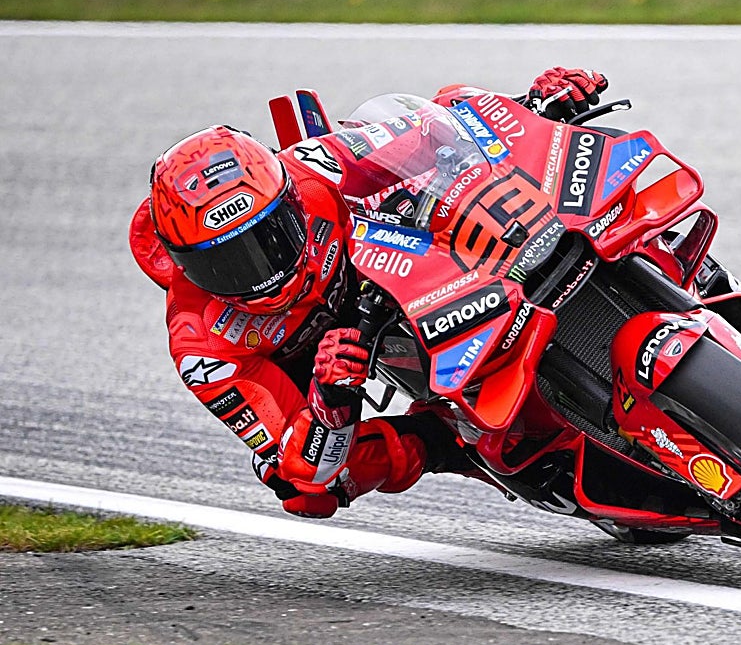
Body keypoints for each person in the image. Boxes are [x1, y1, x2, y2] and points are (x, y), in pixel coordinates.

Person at [128, 68, 609, 518]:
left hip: (384, 278)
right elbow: (303, 464)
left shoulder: (311, 170)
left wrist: (530, 106)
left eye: (269, 239)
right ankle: (446, 440)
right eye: (224, 264)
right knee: (304, 491)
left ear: (290, 201)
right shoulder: (202, 345)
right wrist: (329, 397)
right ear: (182, 263)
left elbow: (428, 131)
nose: (261, 274)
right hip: (321, 368)